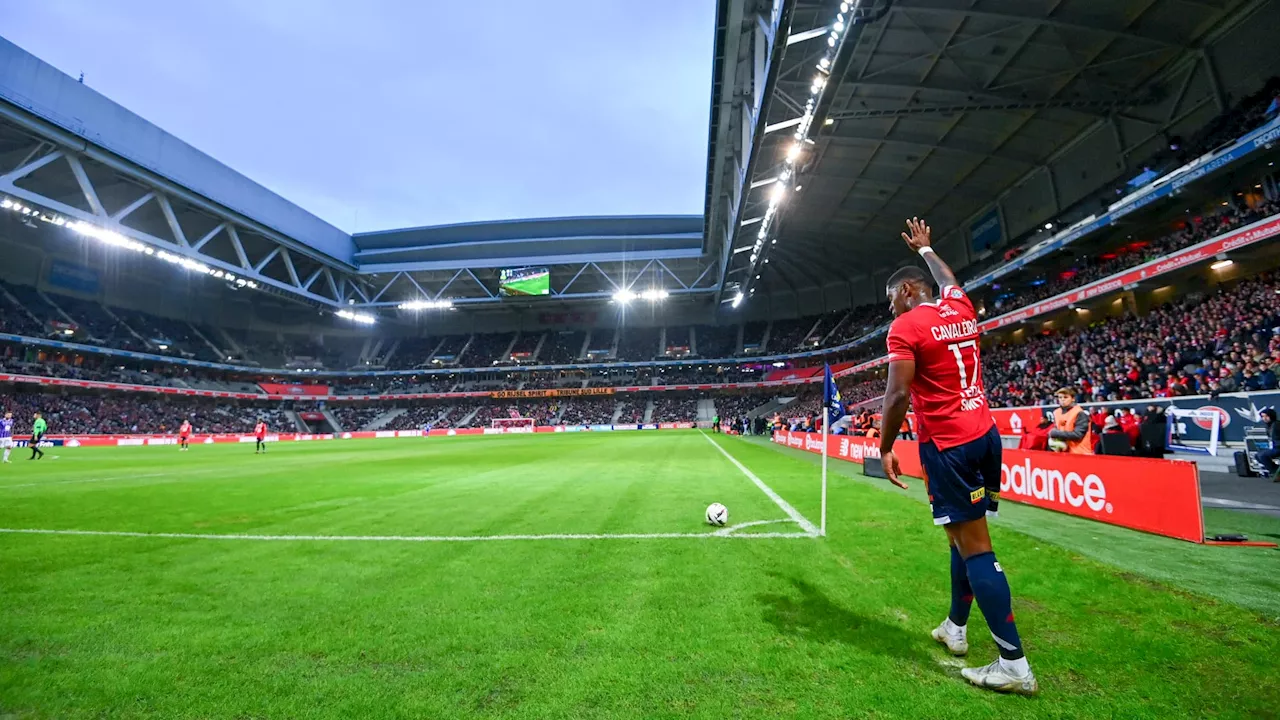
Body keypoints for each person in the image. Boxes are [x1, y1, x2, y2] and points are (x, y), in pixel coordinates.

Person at [879, 217, 1037, 695]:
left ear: (907, 291)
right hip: (985, 434)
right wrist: (929, 248)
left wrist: (886, 446)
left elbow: (896, 395)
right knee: (959, 536)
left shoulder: (905, 327)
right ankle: (956, 627)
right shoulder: (960, 307)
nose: (891, 309)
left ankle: (1013, 664)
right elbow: (950, 282)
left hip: (949, 444)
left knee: (976, 547)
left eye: (891, 300)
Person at [1050, 388, 1093, 454]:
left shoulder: (1079, 413)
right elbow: (1057, 429)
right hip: (1063, 453)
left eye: (1065, 397)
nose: (1062, 399)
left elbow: (1078, 435)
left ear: (1073, 399)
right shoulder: (1056, 412)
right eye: (1060, 397)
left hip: (1080, 453)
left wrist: (1056, 434)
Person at [1257, 408, 1280, 481]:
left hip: (1278, 447)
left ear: (1271, 416)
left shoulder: (1277, 424)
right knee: (1257, 455)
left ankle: (1275, 472)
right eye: (1263, 416)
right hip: (1274, 447)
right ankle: (1276, 470)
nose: (1264, 418)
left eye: (1266, 416)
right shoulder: (1268, 426)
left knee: (1262, 455)